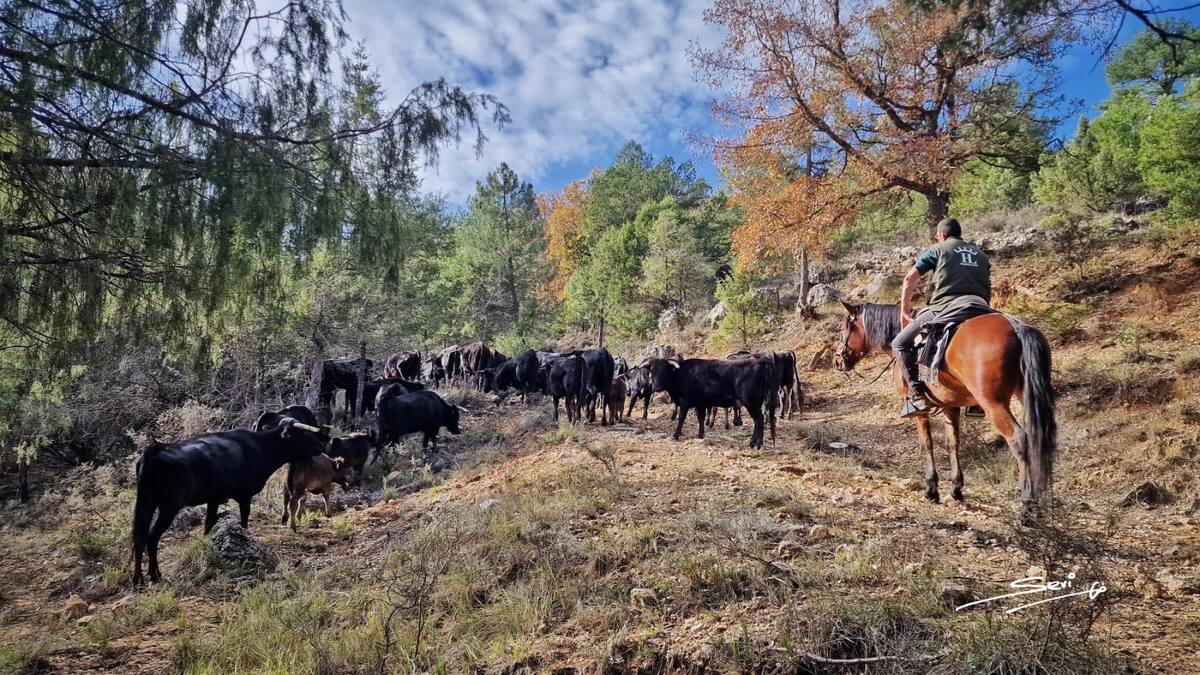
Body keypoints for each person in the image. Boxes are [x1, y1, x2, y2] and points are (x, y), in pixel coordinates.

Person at [892, 217, 991, 417]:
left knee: (900, 344)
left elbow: (909, 278)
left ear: (941, 235)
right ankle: (977, 399)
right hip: (981, 306)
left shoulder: (938, 249)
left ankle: (917, 395)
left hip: (945, 306)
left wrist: (904, 310)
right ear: (959, 234)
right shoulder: (980, 254)